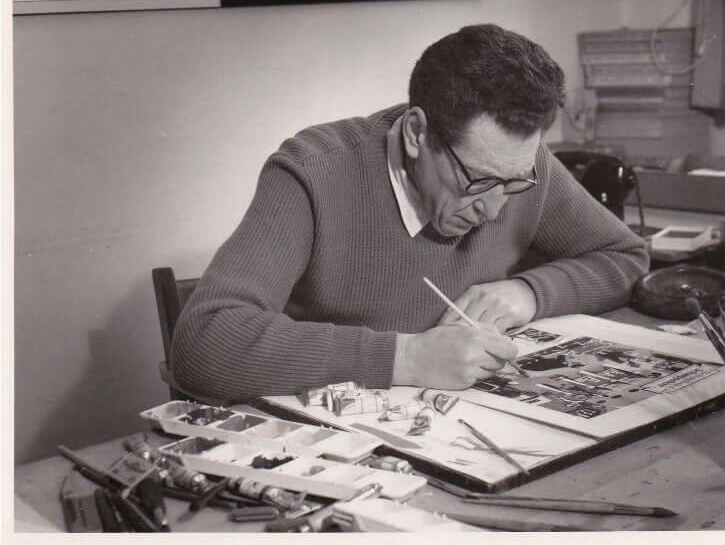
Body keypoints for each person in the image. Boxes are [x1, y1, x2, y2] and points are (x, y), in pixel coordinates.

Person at [172, 24, 649, 401]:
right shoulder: (314, 173)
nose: (494, 208)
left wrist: (529, 292)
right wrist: (406, 358)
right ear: (418, 134)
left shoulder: (515, 161)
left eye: (514, 183)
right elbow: (204, 342)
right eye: (478, 181)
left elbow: (626, 258)